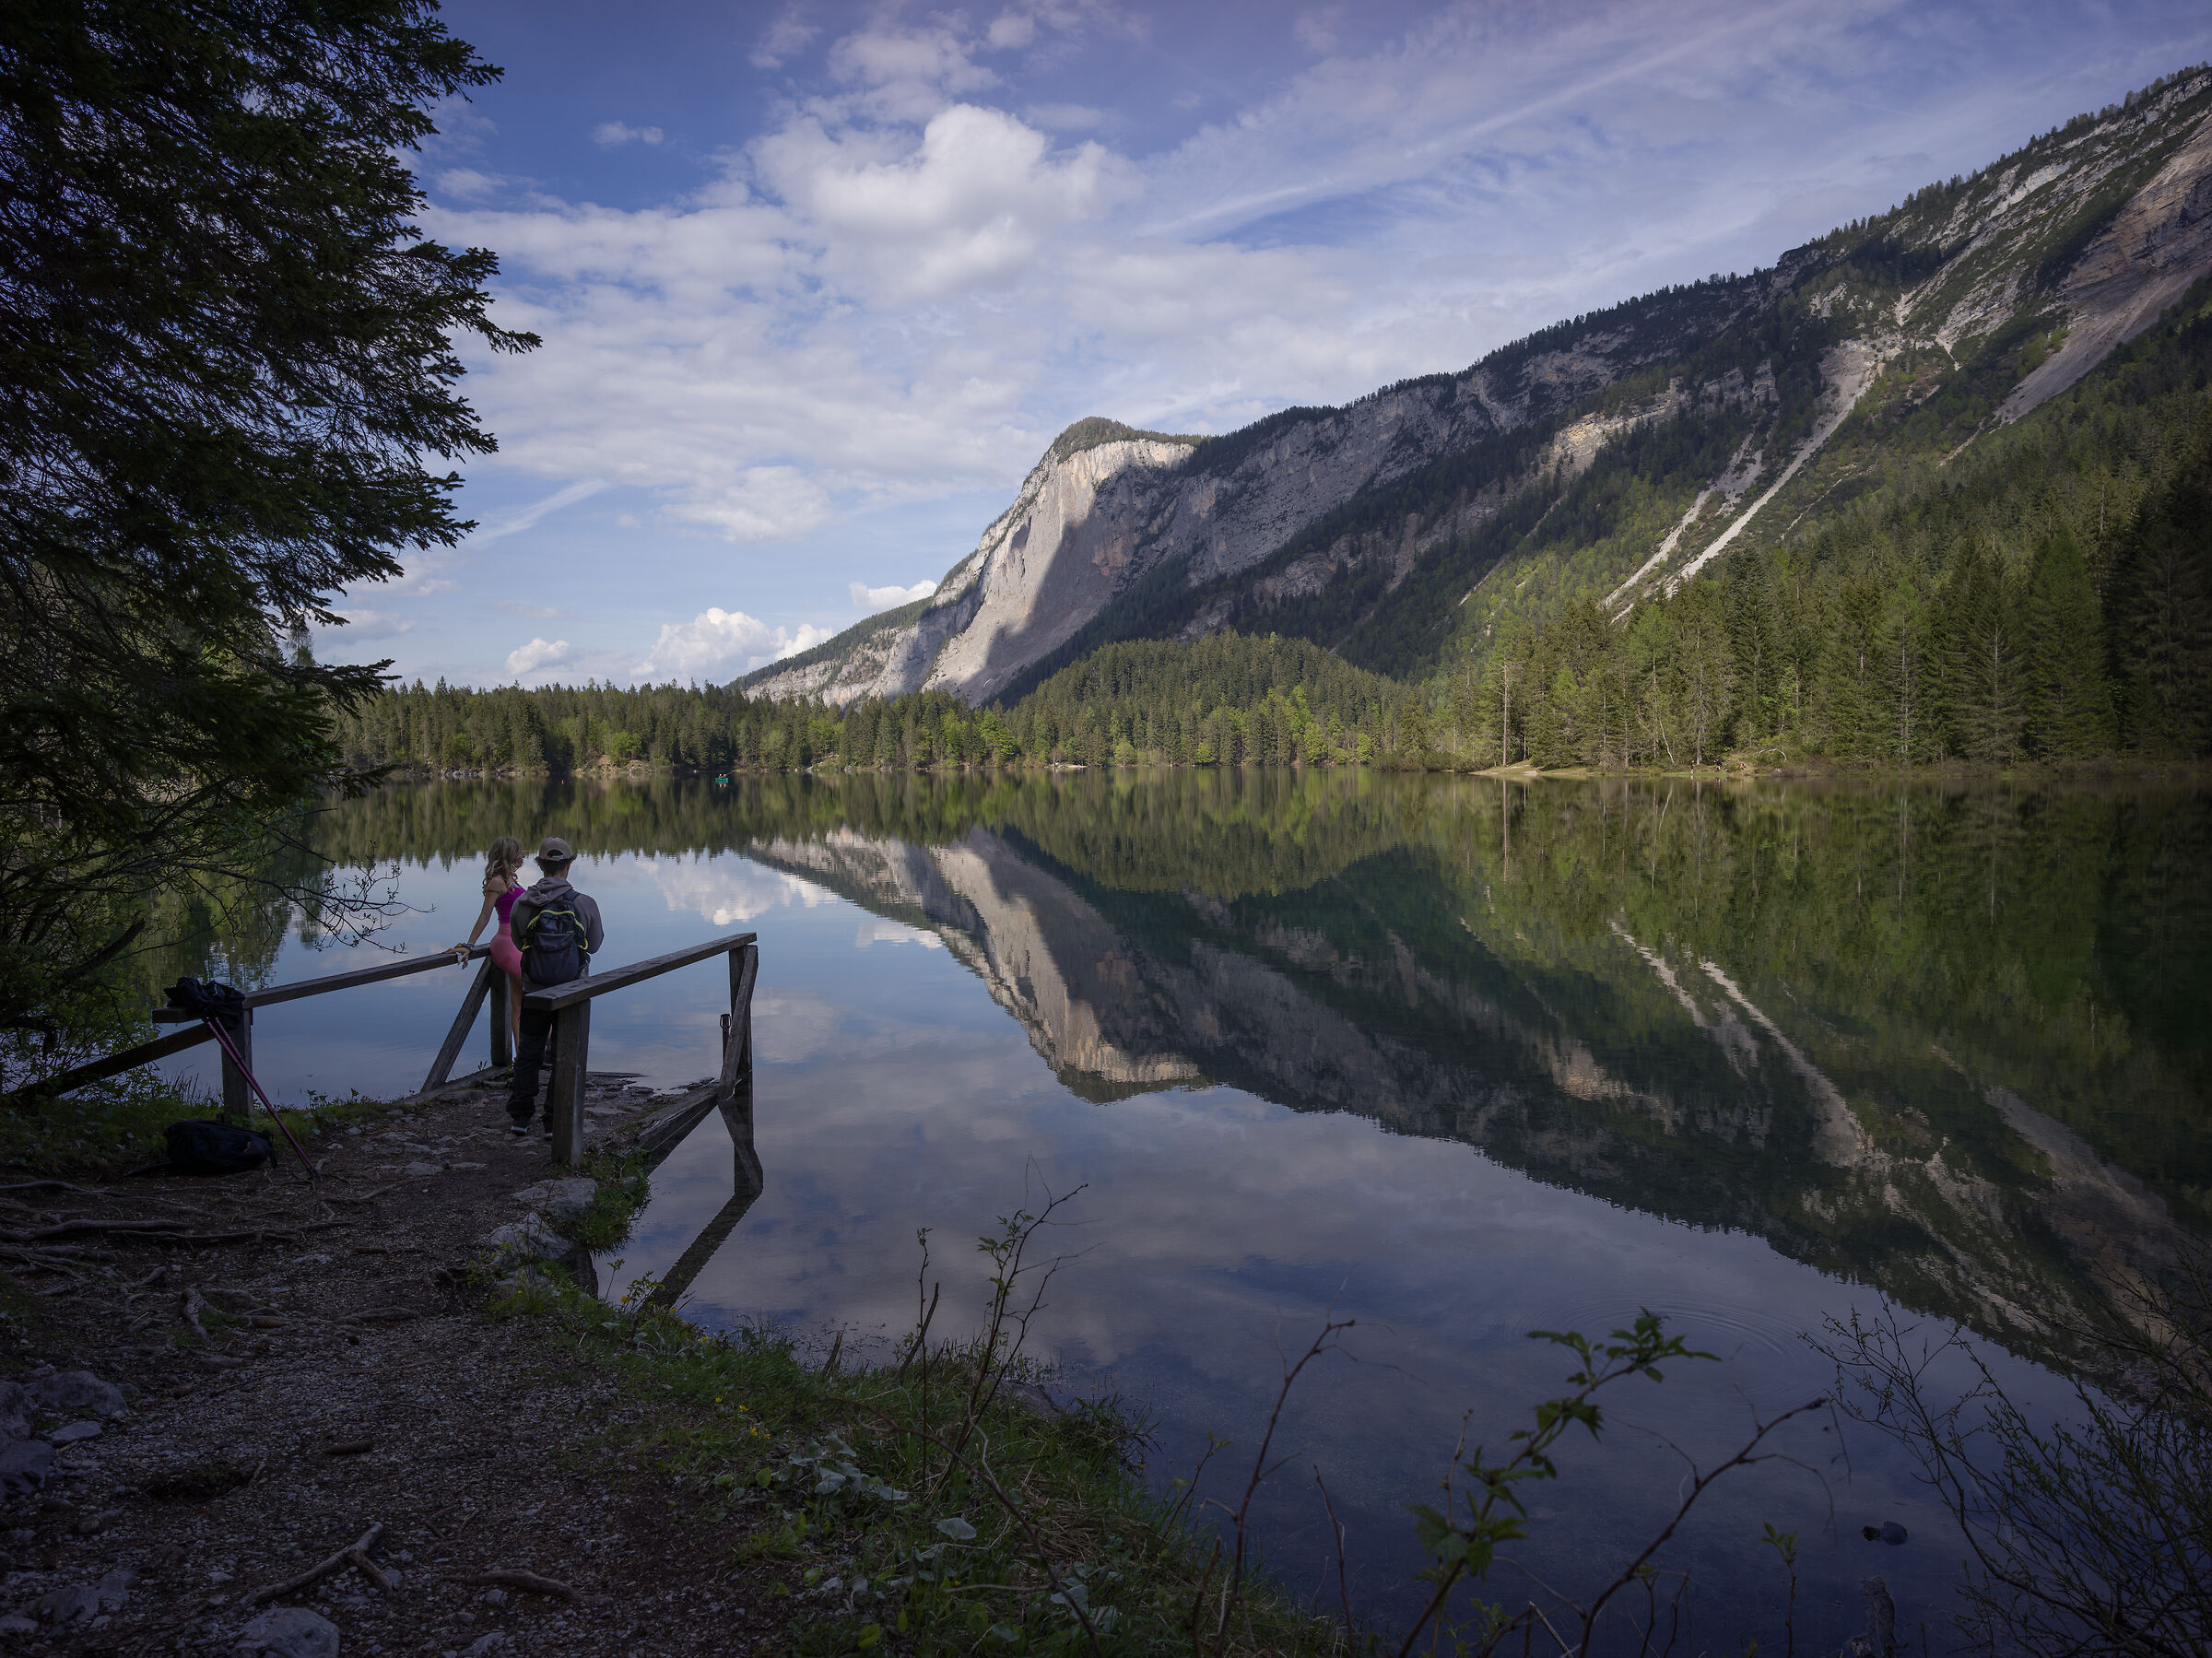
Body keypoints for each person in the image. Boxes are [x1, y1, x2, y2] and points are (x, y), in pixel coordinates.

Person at [506, 836, 606, 1138]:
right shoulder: (584, 903)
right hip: (571, 990)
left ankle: (521, 1118)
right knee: (565, 1052)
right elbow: (596, 944)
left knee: (529, 1053)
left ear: (541, 865)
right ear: (569, 864)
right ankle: (553, 1121)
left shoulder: (524, 902)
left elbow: (518, 941)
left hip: (535, 988)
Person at [450, 836, 527, 1053]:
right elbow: (485, 916)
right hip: (506, 942)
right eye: (520, 853)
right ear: (509, 856)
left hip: (517, 943)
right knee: (535, 990)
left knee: (518, 1001)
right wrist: (469, 944)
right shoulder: (497, 882)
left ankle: (523, 1054)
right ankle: (532, 1053)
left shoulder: (512, 881)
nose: (523, 857)